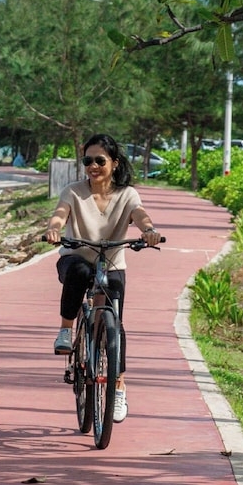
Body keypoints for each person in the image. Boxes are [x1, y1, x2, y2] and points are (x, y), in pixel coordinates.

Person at [42, 133, 161, 423]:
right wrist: (54, 229)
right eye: (88, 160)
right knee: (81, 272)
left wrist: (148, 230)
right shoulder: (73, 191)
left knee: (115, 323)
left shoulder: (128, 194)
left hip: (112, 263)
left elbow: (140, 215)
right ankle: (66, 330)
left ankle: (118, 386)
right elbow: (60, 214)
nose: (93, 166)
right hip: (75, 258)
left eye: (100, 160)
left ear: (114, 163)